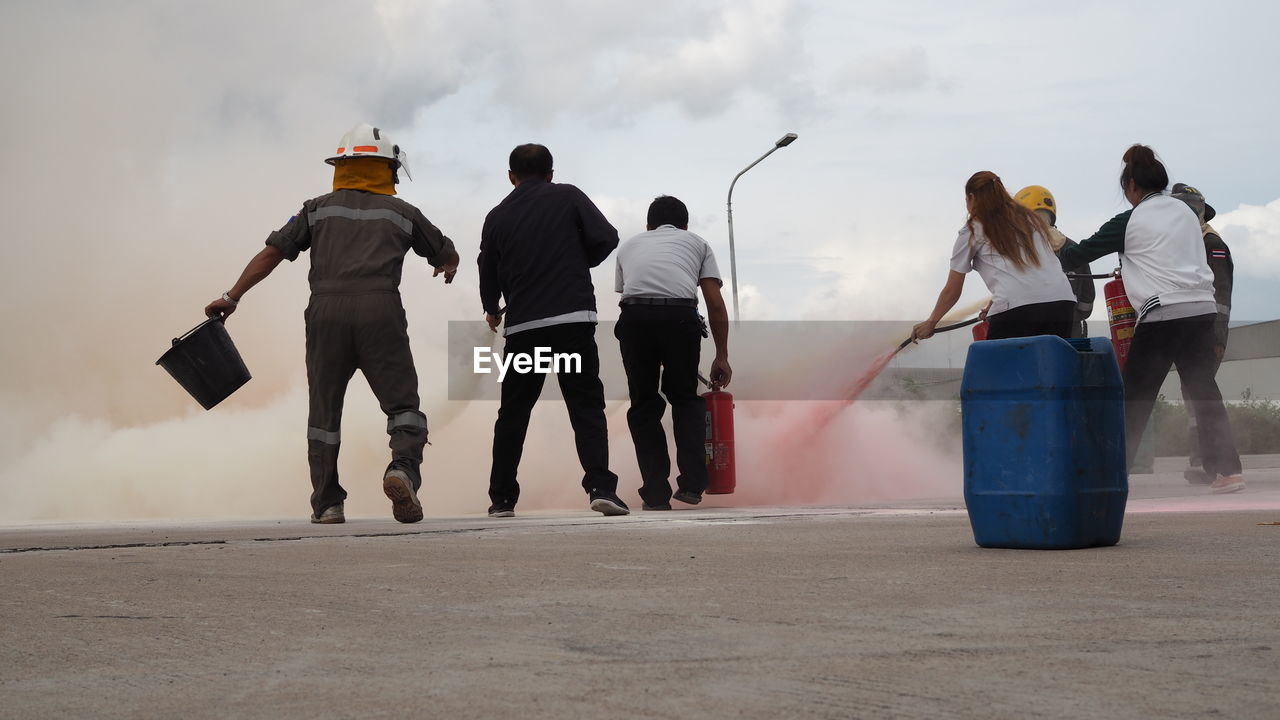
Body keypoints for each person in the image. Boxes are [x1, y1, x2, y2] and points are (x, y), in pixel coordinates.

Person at [204, 123, 460, 524]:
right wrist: (447, 265)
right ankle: (402, 470)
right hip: (381, 312)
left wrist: (232, 296)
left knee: (324, 413)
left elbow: (272, 253)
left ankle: (327, 503)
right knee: (403, 406)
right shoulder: (403, 213)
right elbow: (446, 252)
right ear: (387, 169)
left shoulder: (316, 209)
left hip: (325, 314)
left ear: (342, 165)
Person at [1059, 145, 1244, 494]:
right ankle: (1228, 471)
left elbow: (1076, 255)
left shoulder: (1131, 219)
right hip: (1201, 310)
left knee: (1134, 397)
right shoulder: (1186, 213)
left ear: (1131, 186)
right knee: (1203, 389)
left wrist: (1055, 242)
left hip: (1163, 314)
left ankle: (1114, 472)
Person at [478, 143, 628, 518]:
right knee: (585, 406)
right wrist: (579, 260)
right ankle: (600, 487)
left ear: (511, 177)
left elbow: (487, 269)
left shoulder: (496, 215)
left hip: (525, 328)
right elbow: (607, 237)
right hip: (572, 323)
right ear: (550, 174)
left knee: (514, 412)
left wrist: (492, 308)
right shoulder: (568, 195)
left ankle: (501, 499)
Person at [613, 196, 732, 511]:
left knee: (644, 405)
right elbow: (714, 302)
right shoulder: (697, 243)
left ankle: (655, 493)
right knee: (684, 400)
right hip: (680, 319)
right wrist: (722, 355)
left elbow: (632, 294)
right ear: (685, 225)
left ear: (648, 226)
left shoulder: (628, 246)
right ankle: (692, 484)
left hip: (635, 319)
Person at [913, 171, 1076, 343]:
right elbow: (1032, 271)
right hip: (1062, 303)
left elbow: (952, 291)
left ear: (971, 197)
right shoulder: (1030, 220)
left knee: (997, 367)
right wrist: (997, 302)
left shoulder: (972, 230)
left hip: (1018, 309)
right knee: (1048, 366)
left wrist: (931, 323)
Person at [1170, 182, 1235, 485]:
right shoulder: (1190, 245)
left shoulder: (1212, 244)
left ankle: (1218, 463)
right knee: (1193, 396)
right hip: (1192, 332)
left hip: (1208, 333)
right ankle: (1204, 461)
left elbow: (1220, 295)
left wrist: (1218, 337)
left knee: (1202, 397)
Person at [1014, 185, 1097, 338]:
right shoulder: (1073, 248)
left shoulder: (1022, 251)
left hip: (1034, 334)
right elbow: (1087, 298)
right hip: (1072, 333)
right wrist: (1074, 316)